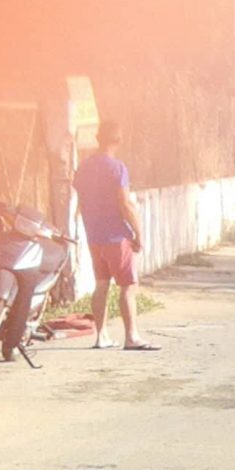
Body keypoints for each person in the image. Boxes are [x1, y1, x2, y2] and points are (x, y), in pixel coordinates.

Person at [72, 121, 157, 351]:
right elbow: (125, 203)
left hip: (94, 236)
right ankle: (132, 337)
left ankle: (101, 336)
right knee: (128, 285)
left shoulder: (83, 167)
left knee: (101, 285)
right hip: (116, 236)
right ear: (118, 141)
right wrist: (138, 232)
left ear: (98, 138)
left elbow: (80, 199)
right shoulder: (117, 168)